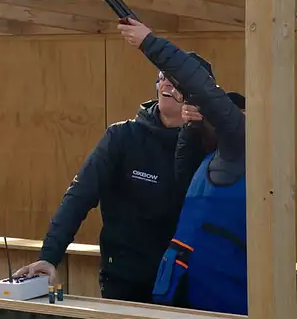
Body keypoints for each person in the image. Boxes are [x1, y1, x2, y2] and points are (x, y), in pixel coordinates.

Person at [14, 41, 204, 302]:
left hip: (189, 281)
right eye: (163, 76)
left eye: (177, 79)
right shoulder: (122, 137)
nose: (167, 84)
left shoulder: (211, 146)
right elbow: (78, 197)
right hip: (126, 280)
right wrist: (49, 256)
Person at [118, 17, 247, 314]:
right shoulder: (209, 161)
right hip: (186, 295)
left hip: (218, 305)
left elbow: (203, 90)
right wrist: (191, 127)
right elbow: (182, 176)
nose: (233, 115)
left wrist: (149, 43)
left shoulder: (239, 146)